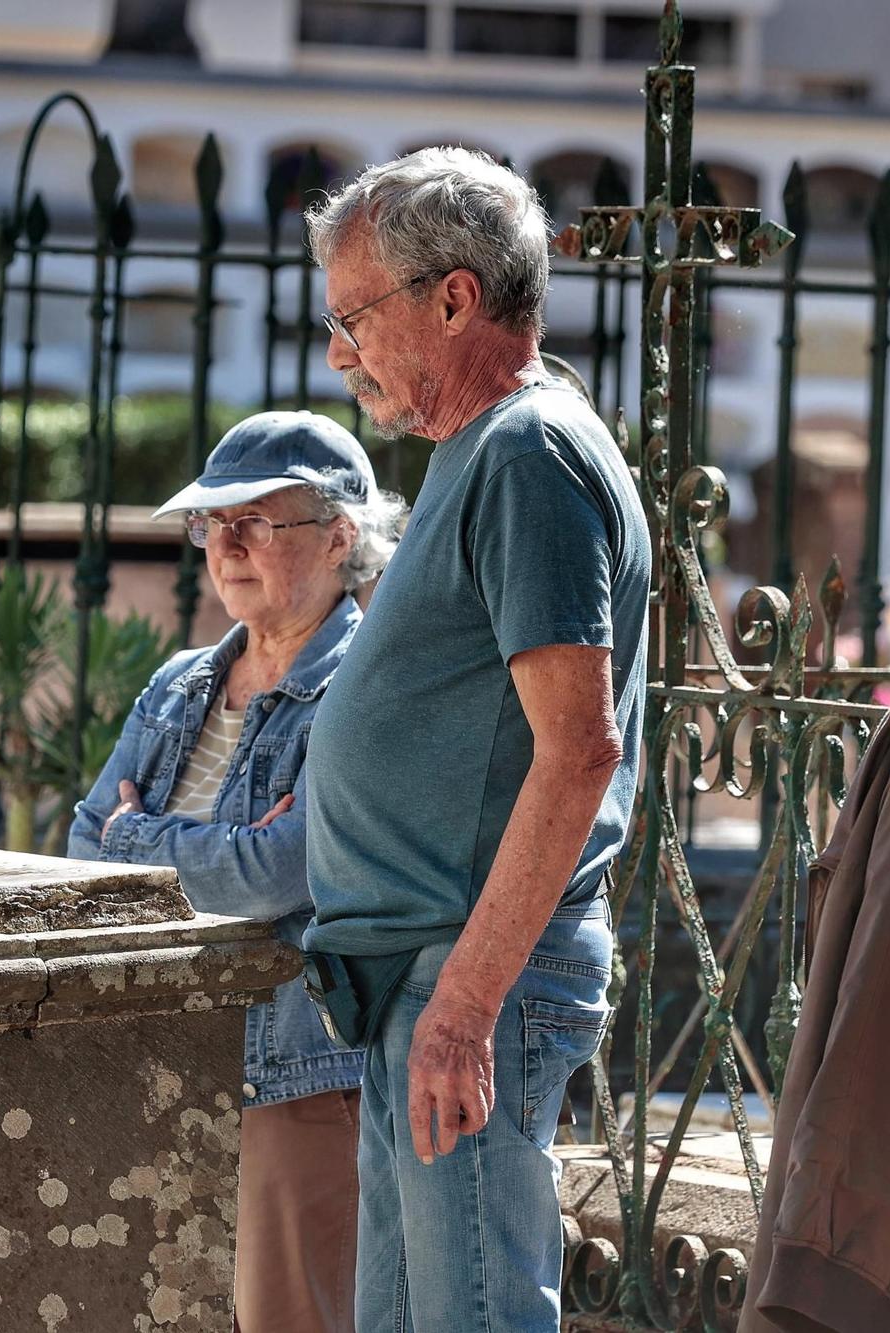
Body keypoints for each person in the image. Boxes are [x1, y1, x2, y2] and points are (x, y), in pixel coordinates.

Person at [299, 147, 652, 1330]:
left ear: (451, 298)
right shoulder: (490, 449)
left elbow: (579, 748)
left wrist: (460, 1008)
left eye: (353, 316)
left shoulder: (523, 452)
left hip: (465, 981)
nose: (337, 351)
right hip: (430, 974)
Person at [69, 411, 407, 1333]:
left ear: (341, 535)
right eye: (212, 523)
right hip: (159, 1047)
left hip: (293, 1072)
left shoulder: (362, 691)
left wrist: (144, 837)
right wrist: (196, 855)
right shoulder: (181, 681)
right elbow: (80, 847)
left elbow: (277, 873)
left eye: (257, 521)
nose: (226, 545)